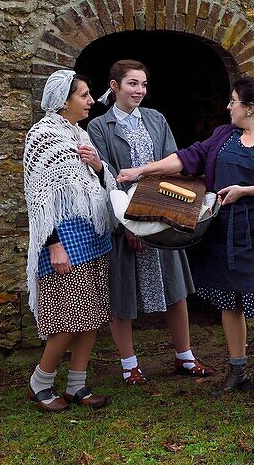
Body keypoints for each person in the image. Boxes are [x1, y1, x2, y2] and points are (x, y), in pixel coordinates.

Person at [117, 76, 254, 405]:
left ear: (250, 108)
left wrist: (246, 191)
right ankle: (238, 370)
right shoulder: (224, 135)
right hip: (221, 233)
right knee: (229, 304)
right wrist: (141, 172)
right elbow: (188, 158)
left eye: (233, 102)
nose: (228, 106)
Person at [87, 59, 208, 385]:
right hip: (124, 217)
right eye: (132, 84)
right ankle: (129, 365)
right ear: (114, 86)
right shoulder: (99, 127)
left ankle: (184, 356)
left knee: (175, 287)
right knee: (122, 291)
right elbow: (106, 177)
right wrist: (130, 224)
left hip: (162, 211)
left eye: (143, 85)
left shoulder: (155, 119)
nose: (139, 91)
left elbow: (172, 164)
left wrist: (156, 215)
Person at [23, 69, 115, 412]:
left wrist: (99, 166)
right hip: (62, 240)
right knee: (69, 317)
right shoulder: (43, 136)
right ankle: (41, 381)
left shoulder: (80, 134)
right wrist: (53, 244)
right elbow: (39, 197)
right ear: (63, 101)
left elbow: (94, 183)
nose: (91, 101)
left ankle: (77, 384)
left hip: (92, 236)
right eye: (84, 95)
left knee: (92, 314)